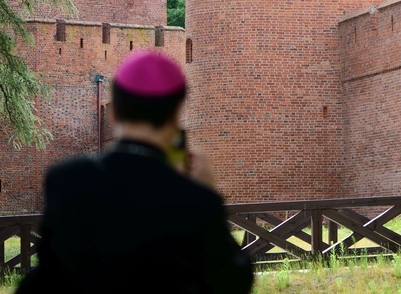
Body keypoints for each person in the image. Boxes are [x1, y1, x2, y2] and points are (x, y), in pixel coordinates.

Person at [15, 50, 254, 294]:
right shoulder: (193, 197)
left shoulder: (67, 181)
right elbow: (234, 279)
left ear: (114, 112)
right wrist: (206, 191)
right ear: (176, 113)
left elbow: (44, 280)